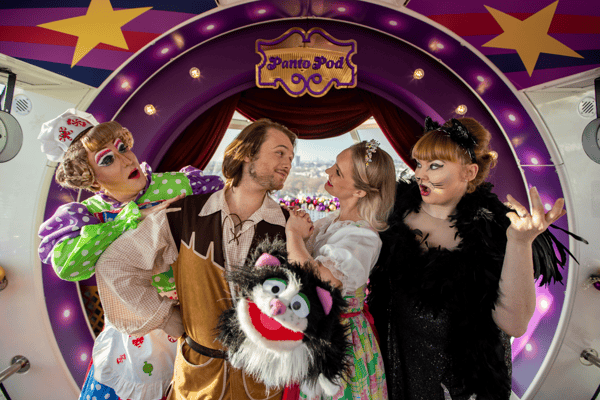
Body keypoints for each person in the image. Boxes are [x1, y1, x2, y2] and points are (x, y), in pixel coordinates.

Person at [367, 117, 572, 400]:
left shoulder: (498, 230)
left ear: (469, 172)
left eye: (435, 165)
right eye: (419, 164)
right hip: (398, 368)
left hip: (466, 382)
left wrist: (519, 243)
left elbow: (513, 324)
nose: (421, 175)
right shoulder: (390, 214)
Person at [94, 118, 297, 400]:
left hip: (262, 382)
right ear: (248, 152)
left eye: (291, 156)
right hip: (197, 379)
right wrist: (165, 317)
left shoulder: (291, 227)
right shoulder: (183, 212)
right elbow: (116, 265)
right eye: (280, 152)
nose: (288, 162)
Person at [37, 109, 224, 400]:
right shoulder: (89, 216)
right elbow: (69, 267)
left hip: (196, 317)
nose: (127, 160)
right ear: (92, 180)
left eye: (122, 148)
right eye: (108, 159)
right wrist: (132, 217)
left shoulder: (180, 185)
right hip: (135, 327)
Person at [285, 140, 396, 400]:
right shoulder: (330, 222)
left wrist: (293, 235)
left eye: (338, 171)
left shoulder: (363, 237)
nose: (327, 172)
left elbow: (321, 281)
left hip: (341, 343)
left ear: (359, 191)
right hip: (314, 334)